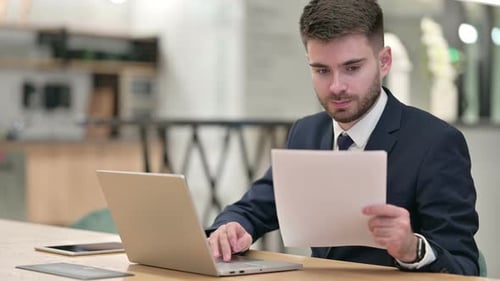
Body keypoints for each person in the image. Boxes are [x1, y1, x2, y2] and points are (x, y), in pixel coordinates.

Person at [206, 0, 479, 275]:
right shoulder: (306, 133)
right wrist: (232, 228)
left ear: (384, 61)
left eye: (352, 68)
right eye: (322, 70)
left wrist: (413, 249)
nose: (336, 86)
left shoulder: (436, 143)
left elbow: (465, 267)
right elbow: (254, 208)